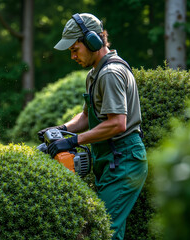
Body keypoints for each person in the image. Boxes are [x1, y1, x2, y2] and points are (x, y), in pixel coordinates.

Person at [37, 13, 148, 240]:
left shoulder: (110, 74)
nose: (72, 56)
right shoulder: (94, 75)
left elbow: (117, 123)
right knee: (107, 229)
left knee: (103, 232)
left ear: (92, 42)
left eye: (74, 49)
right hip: (108, 159)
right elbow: (87, 117)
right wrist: (60, 130)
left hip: (124, 158)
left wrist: (73, 141)